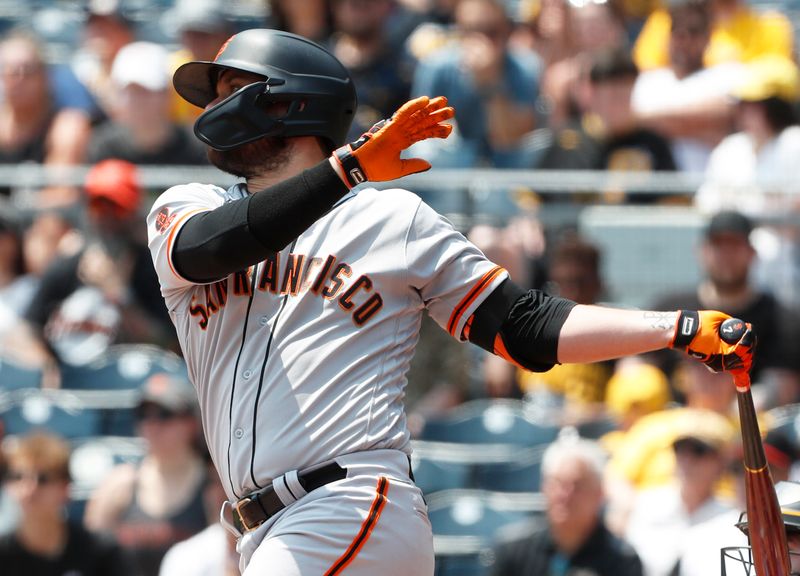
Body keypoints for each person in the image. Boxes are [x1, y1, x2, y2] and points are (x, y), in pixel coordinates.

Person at [147, 27, 753, 575]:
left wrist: (675, 326)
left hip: (347, 504)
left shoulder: (391, 218)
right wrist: (348, 169)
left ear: (290, 102)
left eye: (233, 87)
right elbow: (210, 250)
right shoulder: (188, 205)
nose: (216, 105)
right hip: (261, 529)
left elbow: (525, 327)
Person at [23, 159, 174, 366]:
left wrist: (118, 294)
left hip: (130, 381)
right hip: (71, 385)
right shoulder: (69, 260)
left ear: (133, 212)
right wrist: (45, 366)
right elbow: (29, 326)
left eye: (116, 207)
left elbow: (166, 342)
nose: (107, 216)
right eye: (98, 205)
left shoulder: (150, 266)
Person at [651, 210, 800, 409]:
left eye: (735, 246)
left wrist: (728, 416)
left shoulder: (781, 318)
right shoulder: (670, 308)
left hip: (749, 426)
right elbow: (637, 368)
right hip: (670, 421)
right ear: (702, 251)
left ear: (752, 253)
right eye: (718, 246)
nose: (726, 255)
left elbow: (783, 383)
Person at [84, 372, 208, 576]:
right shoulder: (119, 484)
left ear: (191, 423)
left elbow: (227, 558)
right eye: (144, 416)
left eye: (163, 415)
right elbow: (91, 559)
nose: (152, 425)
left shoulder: (212, 487)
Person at [410, 0, 541, 167]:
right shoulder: (436, 65)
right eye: (470, 31)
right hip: (453, 168)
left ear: (507, 31)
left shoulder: (526, 67)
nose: (480, 42)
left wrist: (489, 83)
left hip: (504, 169)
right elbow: (421, 133)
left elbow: (508, 141)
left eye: (491, 32)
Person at [490, 435, 644, 575]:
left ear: (599, 493)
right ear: (543, 487)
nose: (564, 495)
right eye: (557, 483)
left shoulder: (623, 559)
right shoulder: (512, 550)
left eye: (576, 486)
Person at [631, 0, 743, 174]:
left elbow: (724, 116)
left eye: (694, 31)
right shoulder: (647, 81)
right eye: (677, 31)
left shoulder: (728, 75)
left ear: (709, 36)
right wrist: (698, 130)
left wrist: (645, 122)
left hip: (710, 191)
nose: (684, 39)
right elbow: (622, 123)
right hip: (657, 195)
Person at [0, 431, 131, 575]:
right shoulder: (4, 554)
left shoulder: (98, 550)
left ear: (65, 488)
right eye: (17, 477)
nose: (29, 489)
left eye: (43, 479)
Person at [623, 414, 735, 576]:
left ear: (721, 462)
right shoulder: (646, 504)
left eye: (699, 451)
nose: (686, 460)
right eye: (680, 449)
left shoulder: (733, 519)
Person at [87, 41, 208, 166]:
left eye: (146, 91)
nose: (137, 101)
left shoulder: (198, 146)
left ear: (167, 94)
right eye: (130, 91)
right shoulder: (103, 147)